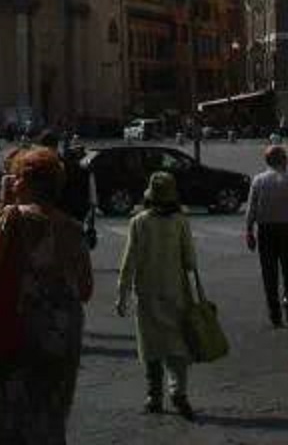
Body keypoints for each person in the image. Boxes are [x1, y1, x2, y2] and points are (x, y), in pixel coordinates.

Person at [0, 147, 93, 445]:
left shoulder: (12, 218)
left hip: (17, 326)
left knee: (1, 418)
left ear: (27, 182)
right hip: (62, 333)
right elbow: (85, 290)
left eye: (17, 177)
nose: (12, 182)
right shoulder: (73, 228)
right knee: (49, 416)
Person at [116, 169, 202, 419]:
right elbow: (190, 262)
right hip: (175, 290)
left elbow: (129, 261)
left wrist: (121, 293)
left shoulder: (139, 222)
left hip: (147, 292)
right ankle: (179, 392)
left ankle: (154, 395)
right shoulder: (180, 221)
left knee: (151, 346)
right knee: (177, 346)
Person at [245, 143, 288, 327]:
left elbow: (252, 208)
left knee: (269, 272)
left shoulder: (259, 180)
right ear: (283, 160)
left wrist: (248, 231)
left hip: (266, 230)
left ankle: (274, 311)